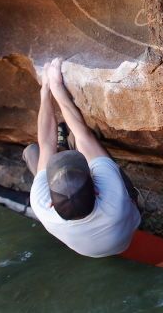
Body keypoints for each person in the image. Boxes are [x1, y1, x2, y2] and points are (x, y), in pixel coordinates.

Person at [23, 58, 140, 257]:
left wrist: (45, 93)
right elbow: (83, 134)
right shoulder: (113, 198)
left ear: (52, 202)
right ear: (96, 191)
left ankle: (64, 146)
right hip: (125, 230)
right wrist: (57, 88)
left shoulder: (42, 205)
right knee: (82, 140)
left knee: (32, 152)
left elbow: (46, 145)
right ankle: (67, 146)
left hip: (88, 250)